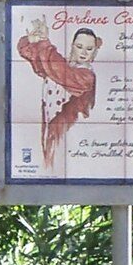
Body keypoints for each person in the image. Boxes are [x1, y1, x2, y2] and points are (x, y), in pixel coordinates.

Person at [16, 17, 101, 176]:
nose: (83, 52)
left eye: (89, 49)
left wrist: (44, 43)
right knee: (48, 165)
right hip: (50, 129)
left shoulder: (86, 75)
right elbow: (34, 57)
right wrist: (32, 39)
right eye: (79, 46)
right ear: (72, 46)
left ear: (94, 51)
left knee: (57, 166)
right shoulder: (61, 65)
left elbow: (60, 71)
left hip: (70, 136)